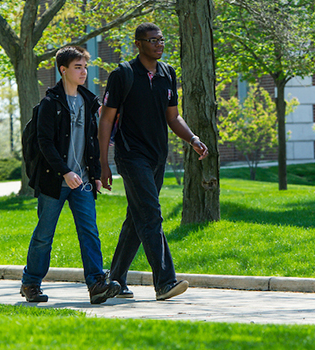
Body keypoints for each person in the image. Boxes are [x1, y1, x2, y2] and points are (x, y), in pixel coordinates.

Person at [98, 23, 209, 301]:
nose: (159, 44)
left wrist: (193, 138)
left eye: (161, 39)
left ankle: (115, 279)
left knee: (137, 219)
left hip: (157, 157)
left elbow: (173, 117)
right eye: (152, 40)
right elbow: (107, 119)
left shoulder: (167, 74)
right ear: (138, 43)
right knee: (150, 214)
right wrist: (103, 162)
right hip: (131, 155)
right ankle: (164, 282)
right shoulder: (123, 74)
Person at [21, 46, 120, 304]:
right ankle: (31, 283)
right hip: (55, 180)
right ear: (63, 70)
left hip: (83, 181)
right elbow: (45, 143)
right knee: (44, 233)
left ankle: (96, 284)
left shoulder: (89, 101)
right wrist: (65, 172)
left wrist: (96, 173)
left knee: (89, 231)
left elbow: (92, 141)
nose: (84, 72)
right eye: (78, 67)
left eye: (85, 67)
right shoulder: (50, 104)